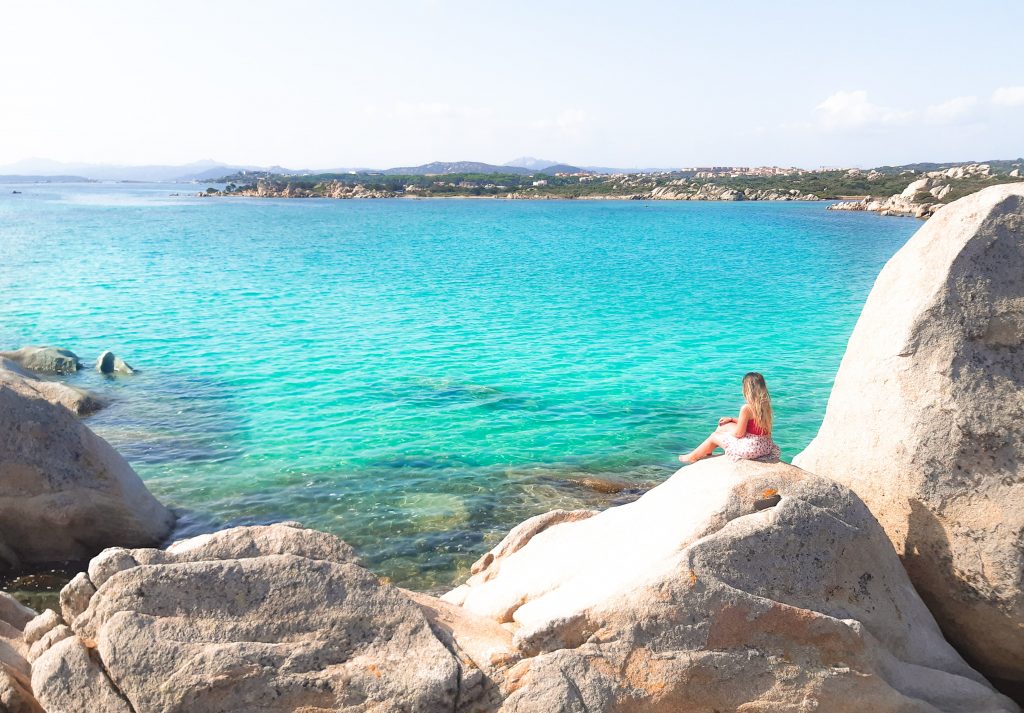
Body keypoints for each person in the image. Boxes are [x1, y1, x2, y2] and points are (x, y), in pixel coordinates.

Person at [678, 372, 781, 463]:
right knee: (724, 425)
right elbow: (753, 424)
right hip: (765, 446)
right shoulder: (765, 405)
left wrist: (727, 433)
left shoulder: (746, 408)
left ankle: (692, 457)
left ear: (747, 389)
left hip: (752, 449)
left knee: (714, 436)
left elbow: (739, 434)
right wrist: (732, 419)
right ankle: (707, 452)